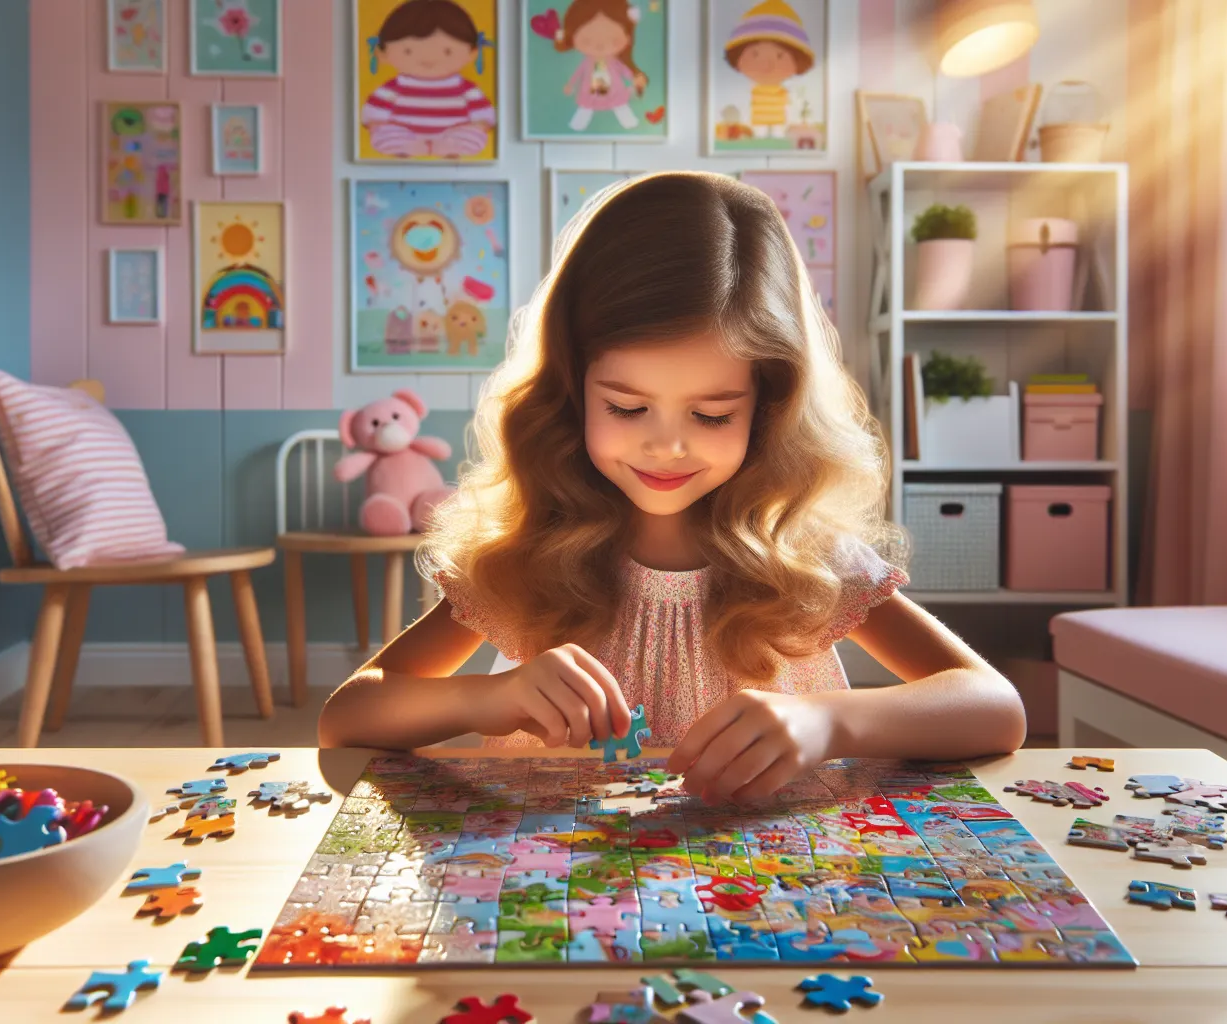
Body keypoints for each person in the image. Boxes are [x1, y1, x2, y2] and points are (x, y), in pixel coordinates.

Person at [319, 172, 1025, 804]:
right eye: (626, 407)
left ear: (768, 407)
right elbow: (348, 716)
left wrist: (830, 721)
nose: (667, 445)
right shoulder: (530, 557)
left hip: (766, 898)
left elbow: (995, 706)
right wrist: (487, 697)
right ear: (571, 393)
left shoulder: (806, 558)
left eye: (712, 414)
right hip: (556, 902)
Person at [361, 0, 496, 159]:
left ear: (473, 53)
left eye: (447, 51)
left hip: (451, 136)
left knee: (474, 136)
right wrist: (378, 125)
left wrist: (478, 126)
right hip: (406, 136)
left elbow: (483, 117)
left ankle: (449, 148)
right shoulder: (394, 87)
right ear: (382, 53)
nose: (428, 58)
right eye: (408, 51)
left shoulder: (465, 88)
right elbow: (373, 116)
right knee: (383, 134)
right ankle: (406, 147)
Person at [556, 0, 649, 132]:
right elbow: (579, 72)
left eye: (614, 40)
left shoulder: (614, 61)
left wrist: (634, 77)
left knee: (620, 105)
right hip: (590, 91)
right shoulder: (588, 62)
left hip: (614, 90)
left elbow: (624, 70)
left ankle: (629, 122)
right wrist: (570, 84)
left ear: (627, 38)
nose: (600, 46)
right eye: (587, 41)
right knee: (586, 107)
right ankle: (577, 125)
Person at [723, 0, 812, 137]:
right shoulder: (742, 93)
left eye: (780, 56)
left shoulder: (788, 93)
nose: (767, 65)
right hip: (755, 124)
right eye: (755, 54)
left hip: (780, 124)